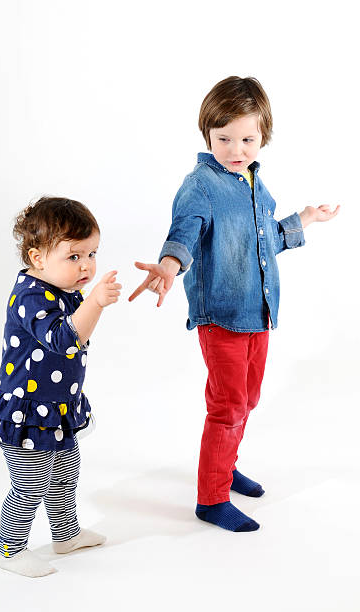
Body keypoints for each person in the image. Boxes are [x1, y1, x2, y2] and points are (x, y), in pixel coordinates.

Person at [129, 76, 339, 533]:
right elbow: (184, 232)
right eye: (224, 138)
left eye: (247, 139)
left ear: (263, 137)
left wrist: (305, 219)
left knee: (247, 399)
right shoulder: (200, 185)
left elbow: (265, 242)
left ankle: (225, 467)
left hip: (258, 313)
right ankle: (211, 498)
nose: (235, 148)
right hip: (221, 315)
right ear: (207, 134)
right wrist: (168, 265)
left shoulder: (256, 185)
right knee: (228, 405)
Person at [0, 196, 121, 576]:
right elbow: (64, 339)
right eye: (74, 256)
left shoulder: (66, 289)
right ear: (38, 258)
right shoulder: (30, 294)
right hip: (26, 411)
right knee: (31, 484)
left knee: (65, 475)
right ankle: (10, 550)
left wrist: (91, 304)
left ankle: (65, 534)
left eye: (91, 253)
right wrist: (97, 304)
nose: (86, 264)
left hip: (56, 407)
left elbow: (78, 337)